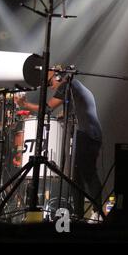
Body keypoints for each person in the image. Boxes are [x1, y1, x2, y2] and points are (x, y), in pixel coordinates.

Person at [15, 66, 103, 221]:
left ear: (57, 77)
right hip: (90, 133)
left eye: (50, 83)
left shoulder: (66, 85)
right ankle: (79, 215)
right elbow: (81, 108)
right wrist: (65, 114)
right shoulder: (77, 87)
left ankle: (98, 213)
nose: (51, 87)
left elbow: (48, 108)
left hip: (86, 133)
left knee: (88, 174)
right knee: (77, 177)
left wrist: (25, 105)